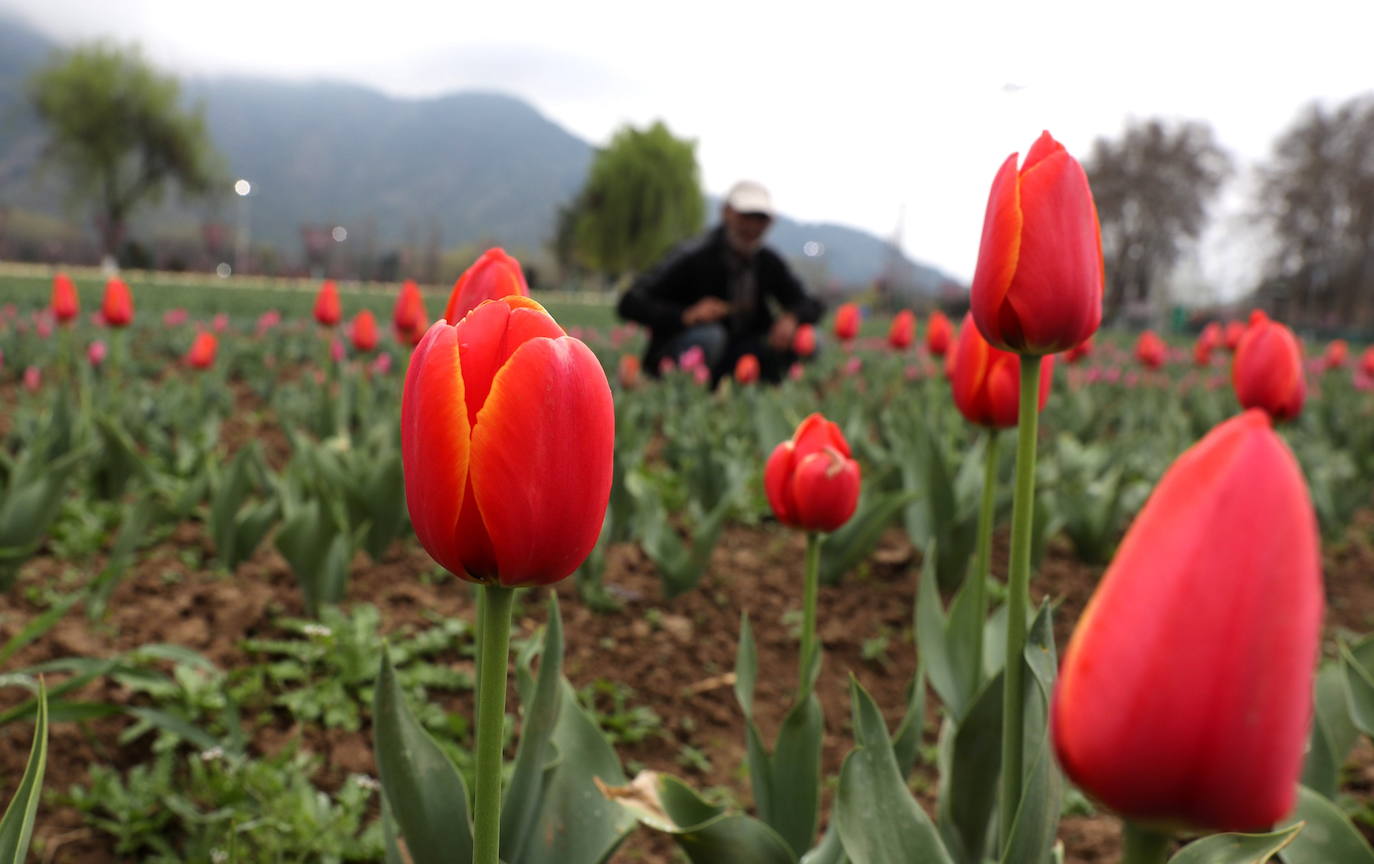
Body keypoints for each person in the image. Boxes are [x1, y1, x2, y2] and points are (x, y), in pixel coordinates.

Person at [617, 180, 824, 384]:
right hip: (688, 350)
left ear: (770, 222)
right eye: (746, 216)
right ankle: (684, 389)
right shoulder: (694, 256)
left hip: (741, 354)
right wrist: (686, 316)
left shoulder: (768, 262)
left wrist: (792, 317)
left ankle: (761, 388)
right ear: (727, 212)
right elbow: (630, 302)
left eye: (760, 218)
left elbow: (812, 304)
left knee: (811, 337)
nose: (752, 226)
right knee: (712, 336)